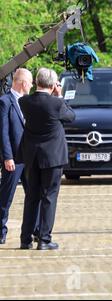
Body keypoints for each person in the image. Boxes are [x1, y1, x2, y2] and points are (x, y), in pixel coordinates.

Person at [17, 68, 75, 250]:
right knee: (49, 197)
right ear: (53, 85)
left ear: (37, 82)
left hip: (31, 156)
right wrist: (59, 96)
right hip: (52, 157)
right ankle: (44, 239)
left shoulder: (24, 101)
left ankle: (25, 239)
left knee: (31, 197)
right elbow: (71, 117)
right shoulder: (56, 104)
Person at [0, 68, 37, 244]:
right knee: (6, 197)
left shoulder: (28, 102)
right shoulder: (5, 101)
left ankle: (34, 230)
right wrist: (7, 157)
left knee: (33, 195)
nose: (32, 85)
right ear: (23, 83)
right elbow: (3, 132)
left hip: (29, 158)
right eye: (30, 82)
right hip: (13, 158)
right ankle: (1, 231)